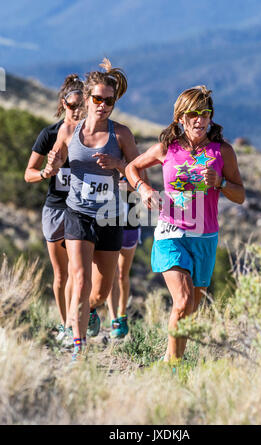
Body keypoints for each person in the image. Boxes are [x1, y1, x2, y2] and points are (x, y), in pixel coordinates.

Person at [125, 85, 245, 362]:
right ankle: (174, 368)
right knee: (182, 301)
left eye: (205, 113)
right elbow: (132, 167)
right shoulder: (168, 148)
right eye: (193, 114)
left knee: (190, 311)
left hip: (205, 238)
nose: (200, 120)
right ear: (181, 118)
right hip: (171, 233)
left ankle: (170, 361)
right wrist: (143, 188)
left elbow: (240, 195)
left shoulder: (222, 151)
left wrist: (222, 183)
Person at [46, 58, 140, 361]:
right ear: (86, 99)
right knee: (80, 279)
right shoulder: (68, 130)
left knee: (99, 293)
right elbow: (56, 159)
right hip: (78, 213)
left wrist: (119, 165)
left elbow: (140, 175)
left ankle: (92, 311)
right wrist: (53, 164)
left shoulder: (121, 135)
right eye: (97, 99)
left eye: (109, 100)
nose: (103, 105)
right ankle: (78, 347)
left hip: (110, 216)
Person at [24, 74, 85, 342]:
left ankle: (74, 324)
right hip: (56, 208)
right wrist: (46, 173)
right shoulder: (49, 134)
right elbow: (28, 173)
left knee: (77, 270)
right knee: (61, 273)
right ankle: (64, 324)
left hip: (81, 209)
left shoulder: (91, 135)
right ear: (64, 104)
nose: (77, 111)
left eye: (82, 106)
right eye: (72, 106)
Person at [106, 176, 142, 338]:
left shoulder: (133, 164)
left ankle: (122, 315)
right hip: (108, 224)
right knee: (111, 275)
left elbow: (145, 190)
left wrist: (129, 187)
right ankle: (113, 319)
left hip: (129, 226)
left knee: (122, 275)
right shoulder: (103, 163)